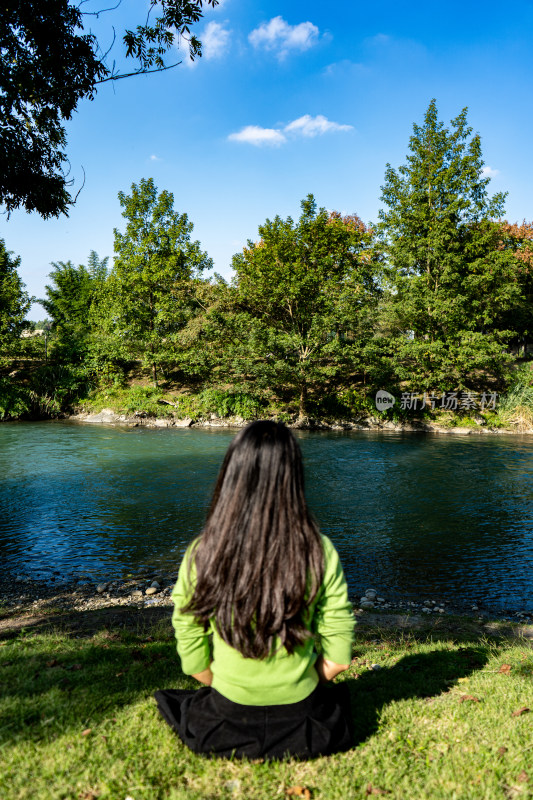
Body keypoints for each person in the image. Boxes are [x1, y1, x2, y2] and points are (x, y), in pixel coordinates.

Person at [155, 420, 354, 760]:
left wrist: (218, 682)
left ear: (231, 475)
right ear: (293, 478)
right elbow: (339, 654)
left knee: (177, 703)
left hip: (228, 715)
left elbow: (189, 637)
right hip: (305, 721)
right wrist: (308, 681)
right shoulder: (319, 549)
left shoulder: (203, 551)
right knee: (340, 703)